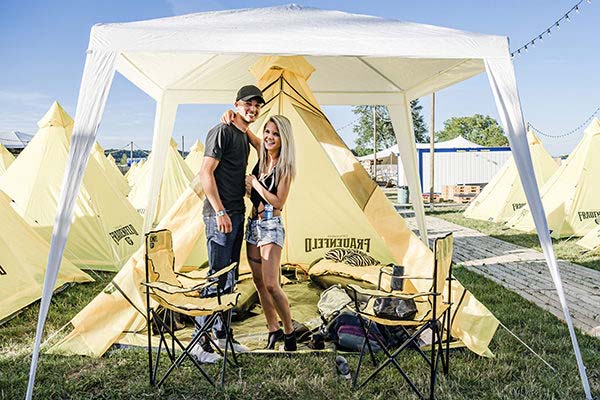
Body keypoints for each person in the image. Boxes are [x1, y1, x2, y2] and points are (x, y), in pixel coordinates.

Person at [190, 84, 264, 363]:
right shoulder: (221, 131)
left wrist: (243, 125)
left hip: (237, 212)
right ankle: (200, 342)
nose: (252, 109)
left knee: (230, 277)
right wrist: (220, 212)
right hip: (219, 215)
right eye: (247, 104)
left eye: (256, 105)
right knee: (217, 276)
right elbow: (205, 173)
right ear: (236, 104)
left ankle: (221, 334)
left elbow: (262, 146)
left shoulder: (242, 136)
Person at [221, 112, 297, 351]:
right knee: (258, 282)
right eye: (267, 132)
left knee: (272, 284)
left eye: (275, 134)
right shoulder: (262, 155)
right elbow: (248, 133)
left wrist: (254, 183)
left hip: (271, 226)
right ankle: (273, 329)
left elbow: (278, 201)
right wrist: (232, 115)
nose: (269, 137)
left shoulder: (285, 167)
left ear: (284, 138)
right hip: (253, 224)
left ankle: (289, 332)